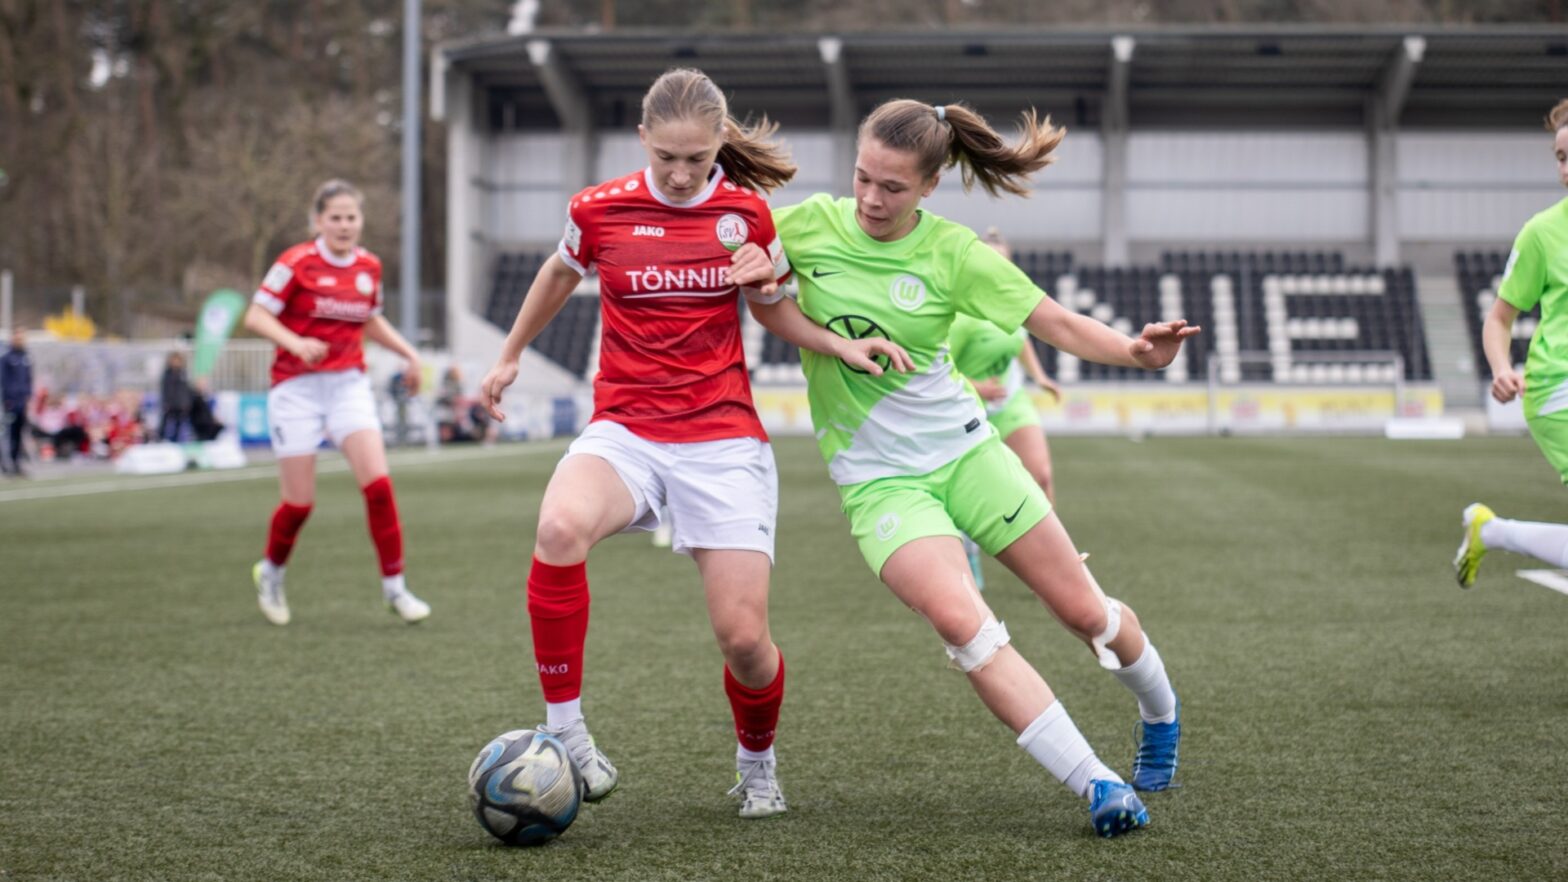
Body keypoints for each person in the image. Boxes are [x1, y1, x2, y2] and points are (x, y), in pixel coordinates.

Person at [734, 99, 1197, 837]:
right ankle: (1098, 784)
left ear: (930, 187)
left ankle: (1161, 714)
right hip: (879, 481)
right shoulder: (807, 225)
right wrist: (759, 274)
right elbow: (759, 290)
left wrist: (1138, 353)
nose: (871, 198)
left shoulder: (954, 253)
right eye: (862, 178)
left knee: (1088, 616)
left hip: (968, 454)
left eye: (892, 186)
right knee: (965, 624)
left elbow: (1056, 323)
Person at [479, 68, 908, 819]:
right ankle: (566, 734)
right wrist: (510, 353)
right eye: (668, 157)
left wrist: (817, 326)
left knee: (744, 640)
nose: (681, 175)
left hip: (720, 438)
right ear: (643, 138)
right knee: (556, 528)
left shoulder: (747, 214)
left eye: (698, 159)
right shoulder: (600, 209)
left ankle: (757, 764)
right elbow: (559, 270)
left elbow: (775, 311)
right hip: (625, 429)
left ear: (720, 144)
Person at [242, 179, 431, 626]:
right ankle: (270, 573)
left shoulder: (368, 266)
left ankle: (396, 589)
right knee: (300, 504)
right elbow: (255, 315)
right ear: (318, 221)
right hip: (296, 389)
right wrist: (296, 341)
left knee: (379, 488)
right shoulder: (295, 263)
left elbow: (370, 319)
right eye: (336, 217)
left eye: (352, 217)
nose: (345, 225)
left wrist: (409, 353)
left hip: (348, 385)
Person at [1456, 98, 1568, 586]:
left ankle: (1493, 532)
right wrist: (1502, 368)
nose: (1565, 168)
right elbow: (1499, 319)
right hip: (1557, 390)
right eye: (1561, 157)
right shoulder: (1542, 234)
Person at [950, 228, 1063, 587]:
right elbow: (934, 368)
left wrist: (1040, 376)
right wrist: (978, 386)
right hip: (966, 407)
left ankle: (1055, 566)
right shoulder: (961, 314)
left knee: (1041, 475)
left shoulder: (1012, 303)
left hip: (1011, 403)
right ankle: (968, 551)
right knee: (965, 494)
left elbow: (1021, 341)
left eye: (1005, 260)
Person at [1, 327, 31, 476]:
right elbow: (4, 381)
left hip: (23, 403)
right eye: (18, 337)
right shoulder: (7, 358)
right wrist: (7, 399)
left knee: (20, 434)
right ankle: (7, 464)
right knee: (9, 434)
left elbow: (28, 380)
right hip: (11, 403)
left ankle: (17, 463)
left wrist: (28, 397)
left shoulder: (26, 357)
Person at [159, 351, 193, 442]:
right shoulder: (167, 374)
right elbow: (165, 389)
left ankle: (176, 440)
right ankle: (161, 438)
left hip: (181, 403)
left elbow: (185, 389)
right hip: (170, 403)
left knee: (179, 423)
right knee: (165, 422)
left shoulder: (183, 373)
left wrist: (186, 402)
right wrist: (166, 402)